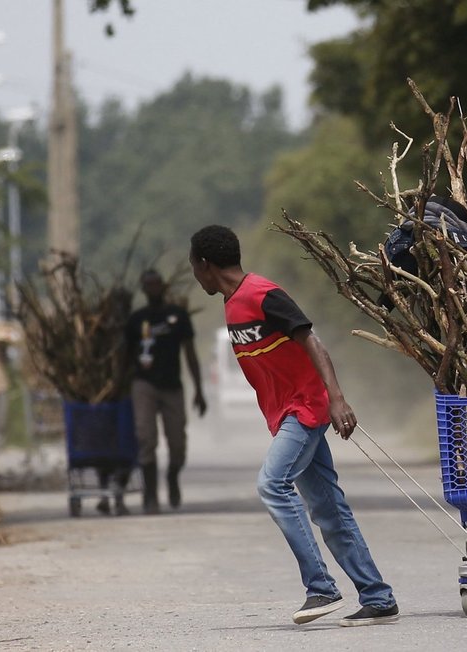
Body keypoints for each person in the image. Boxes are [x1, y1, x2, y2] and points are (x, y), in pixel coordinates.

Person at [188, 224, 399, 627]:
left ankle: (320, 587)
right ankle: (377, 595)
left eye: (193, 267)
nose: (195, 276)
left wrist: (336, 398)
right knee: (328, 509)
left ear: (204, 264)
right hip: (287, 412)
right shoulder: (232, 302)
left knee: (272, 484)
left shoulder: (261, 294)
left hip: (304, 410)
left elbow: (312, 341)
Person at [125, 269, 207, 514]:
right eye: (148, 285)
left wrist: (199, 390)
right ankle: (150, 495)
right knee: (146, 437)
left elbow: (190, 353)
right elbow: (125, 357)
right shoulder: (137, 319)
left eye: (156, 284)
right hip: (144, 384)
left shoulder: (177, 316)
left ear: (163, 286)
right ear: (143, 289)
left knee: (178, 442)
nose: (153, 288)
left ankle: (172, 477)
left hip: (172, 385)